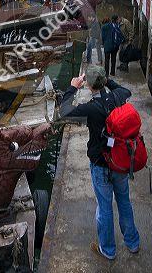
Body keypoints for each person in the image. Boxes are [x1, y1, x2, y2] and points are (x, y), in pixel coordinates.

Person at [60, 65, 140, 260]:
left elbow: (64, 110)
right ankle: (133, 243)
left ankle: (108, 250)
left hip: (100, 163)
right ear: (104, 82)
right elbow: (124, 89)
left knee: (105, 207)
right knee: (124, 202)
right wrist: (106, 81)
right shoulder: (118, 97)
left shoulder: (91, 108)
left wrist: (72, 87)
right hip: (120, 161)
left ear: (88, 85)